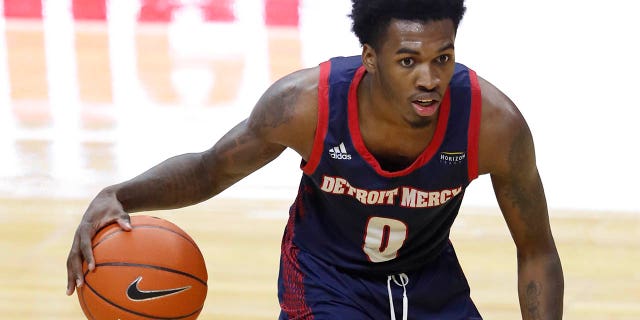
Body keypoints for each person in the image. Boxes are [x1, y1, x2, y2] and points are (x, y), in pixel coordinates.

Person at [66, 0, 564, 318]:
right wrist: (116, 194)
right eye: (408, 61)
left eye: (443, 58)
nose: (430, 79)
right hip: (326, 281)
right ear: (370, 59)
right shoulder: (307, 105)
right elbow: (209, 169)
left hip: (430, 282)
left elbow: (537, 250)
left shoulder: (493, 124)